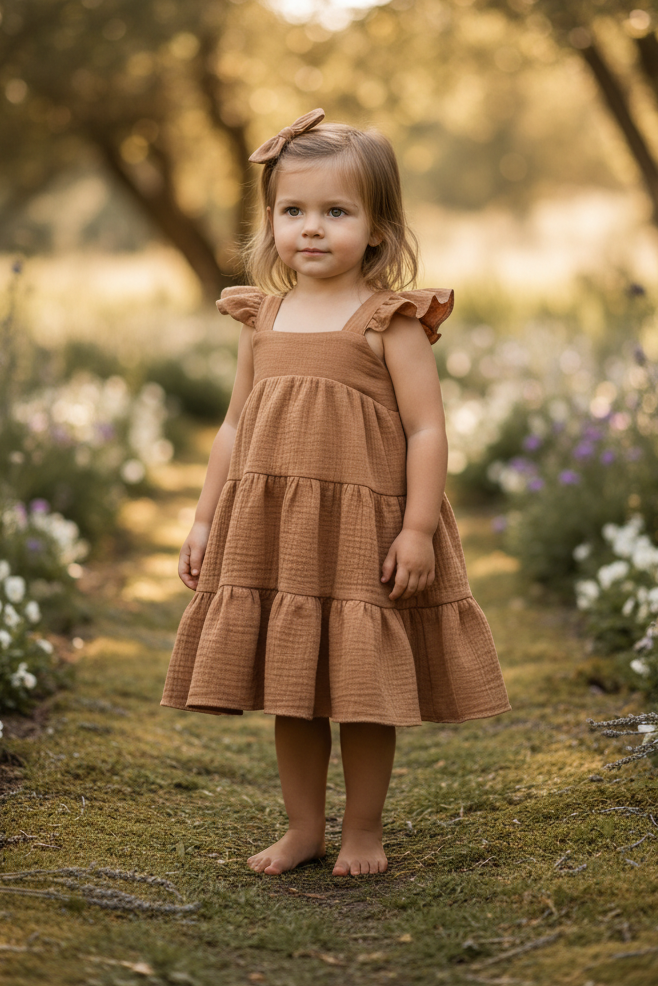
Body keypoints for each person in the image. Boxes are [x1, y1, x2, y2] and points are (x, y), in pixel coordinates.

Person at [161, 108, 511, 877]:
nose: (311, 228)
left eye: (336, 212)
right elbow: (233, 425)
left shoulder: (390, 321)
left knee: (360, 687)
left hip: (362, 531)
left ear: (378, 227)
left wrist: (416, 529)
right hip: (277, 532)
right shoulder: (262, 317)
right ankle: (302, 829)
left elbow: (427, 430)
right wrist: (205, 519)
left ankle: (363, 831)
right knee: (293, 689)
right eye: (293, 210)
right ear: (270, 220)